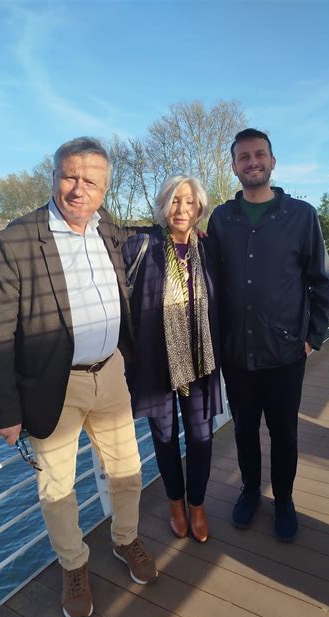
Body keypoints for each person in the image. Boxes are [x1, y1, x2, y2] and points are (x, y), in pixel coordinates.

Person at [0, 137, 157, 617]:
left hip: (112, 373)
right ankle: (74, 565)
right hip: (53, 383)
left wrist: (189, 230)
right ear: (54, 176)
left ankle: (125, 539)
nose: (79, 189)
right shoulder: (15, 240)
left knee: (128, 470)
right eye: (70, 177)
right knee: (57, 487)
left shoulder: (110, 232)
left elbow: (146, 239)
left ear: (104, 187)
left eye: (91, 181)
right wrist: (5, 411)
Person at [207, 128, 329, 541]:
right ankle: (249, 491)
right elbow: (207, 282)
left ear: (273, 161)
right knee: (244, 431)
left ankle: (283, 500)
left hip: (284, 353)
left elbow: (321, 281)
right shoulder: (222, 219)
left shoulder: (301, 215)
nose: (252, 162)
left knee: (284, 434)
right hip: (237, 353)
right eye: (243, 157)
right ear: (233, 167)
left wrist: (312, 337)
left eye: (259, 154)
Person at [123, 175, 222, 543]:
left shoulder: (208, 250)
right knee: (164, 439)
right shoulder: (142, 246)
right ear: (164, 205)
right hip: (155, 365)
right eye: (175, 201)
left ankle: (197, 504)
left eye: (190, 202)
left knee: (201, 437)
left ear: (200, 208)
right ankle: (175, 504)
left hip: (200, 363)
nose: (182, 209)